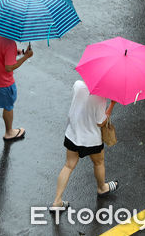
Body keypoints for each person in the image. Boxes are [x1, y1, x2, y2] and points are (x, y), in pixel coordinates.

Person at [51, 80, 117, 209]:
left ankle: (57, 201)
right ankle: (102, 187)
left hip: (73, 134)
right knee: (98, 163)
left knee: (68, 166)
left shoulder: (78, 85)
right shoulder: (100, 97)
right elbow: (100, 122)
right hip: (91, 140)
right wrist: (112, 105)